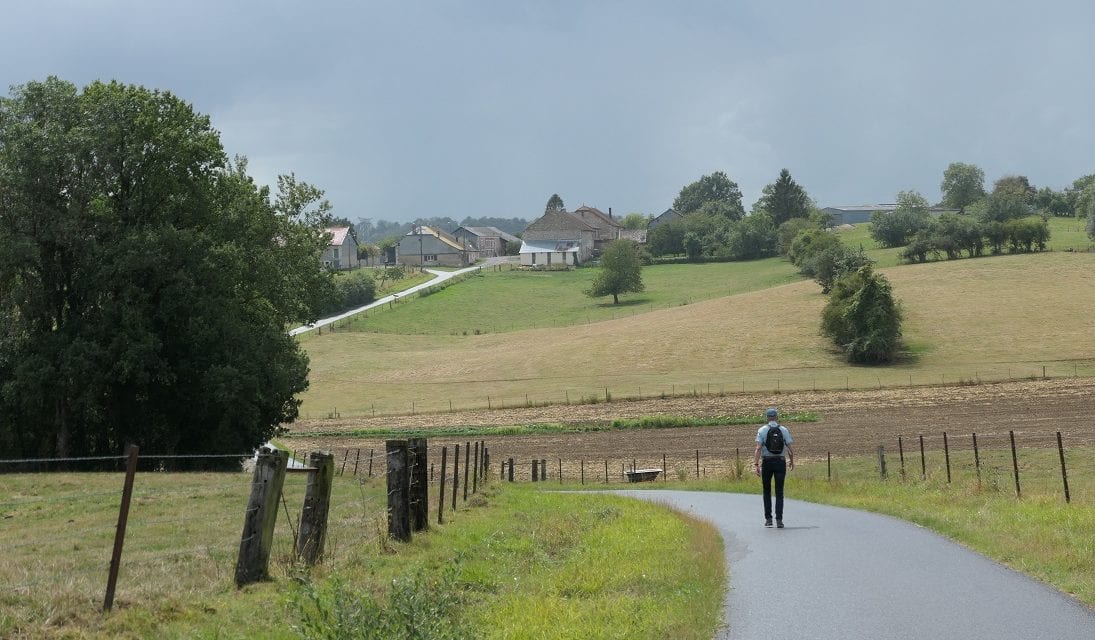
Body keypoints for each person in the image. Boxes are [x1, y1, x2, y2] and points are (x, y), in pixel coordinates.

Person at [754, 407, 793, 528]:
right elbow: (790, 449)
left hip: (767, 462)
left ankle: (768, 519)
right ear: (776, 417)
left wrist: (756, 464)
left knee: (766, 491)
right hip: (780, 462)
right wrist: (792, 461)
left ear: (767, 417)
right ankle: (779, 520)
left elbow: (758, 448)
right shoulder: (784, 430)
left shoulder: (762, 430)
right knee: (779, 492)